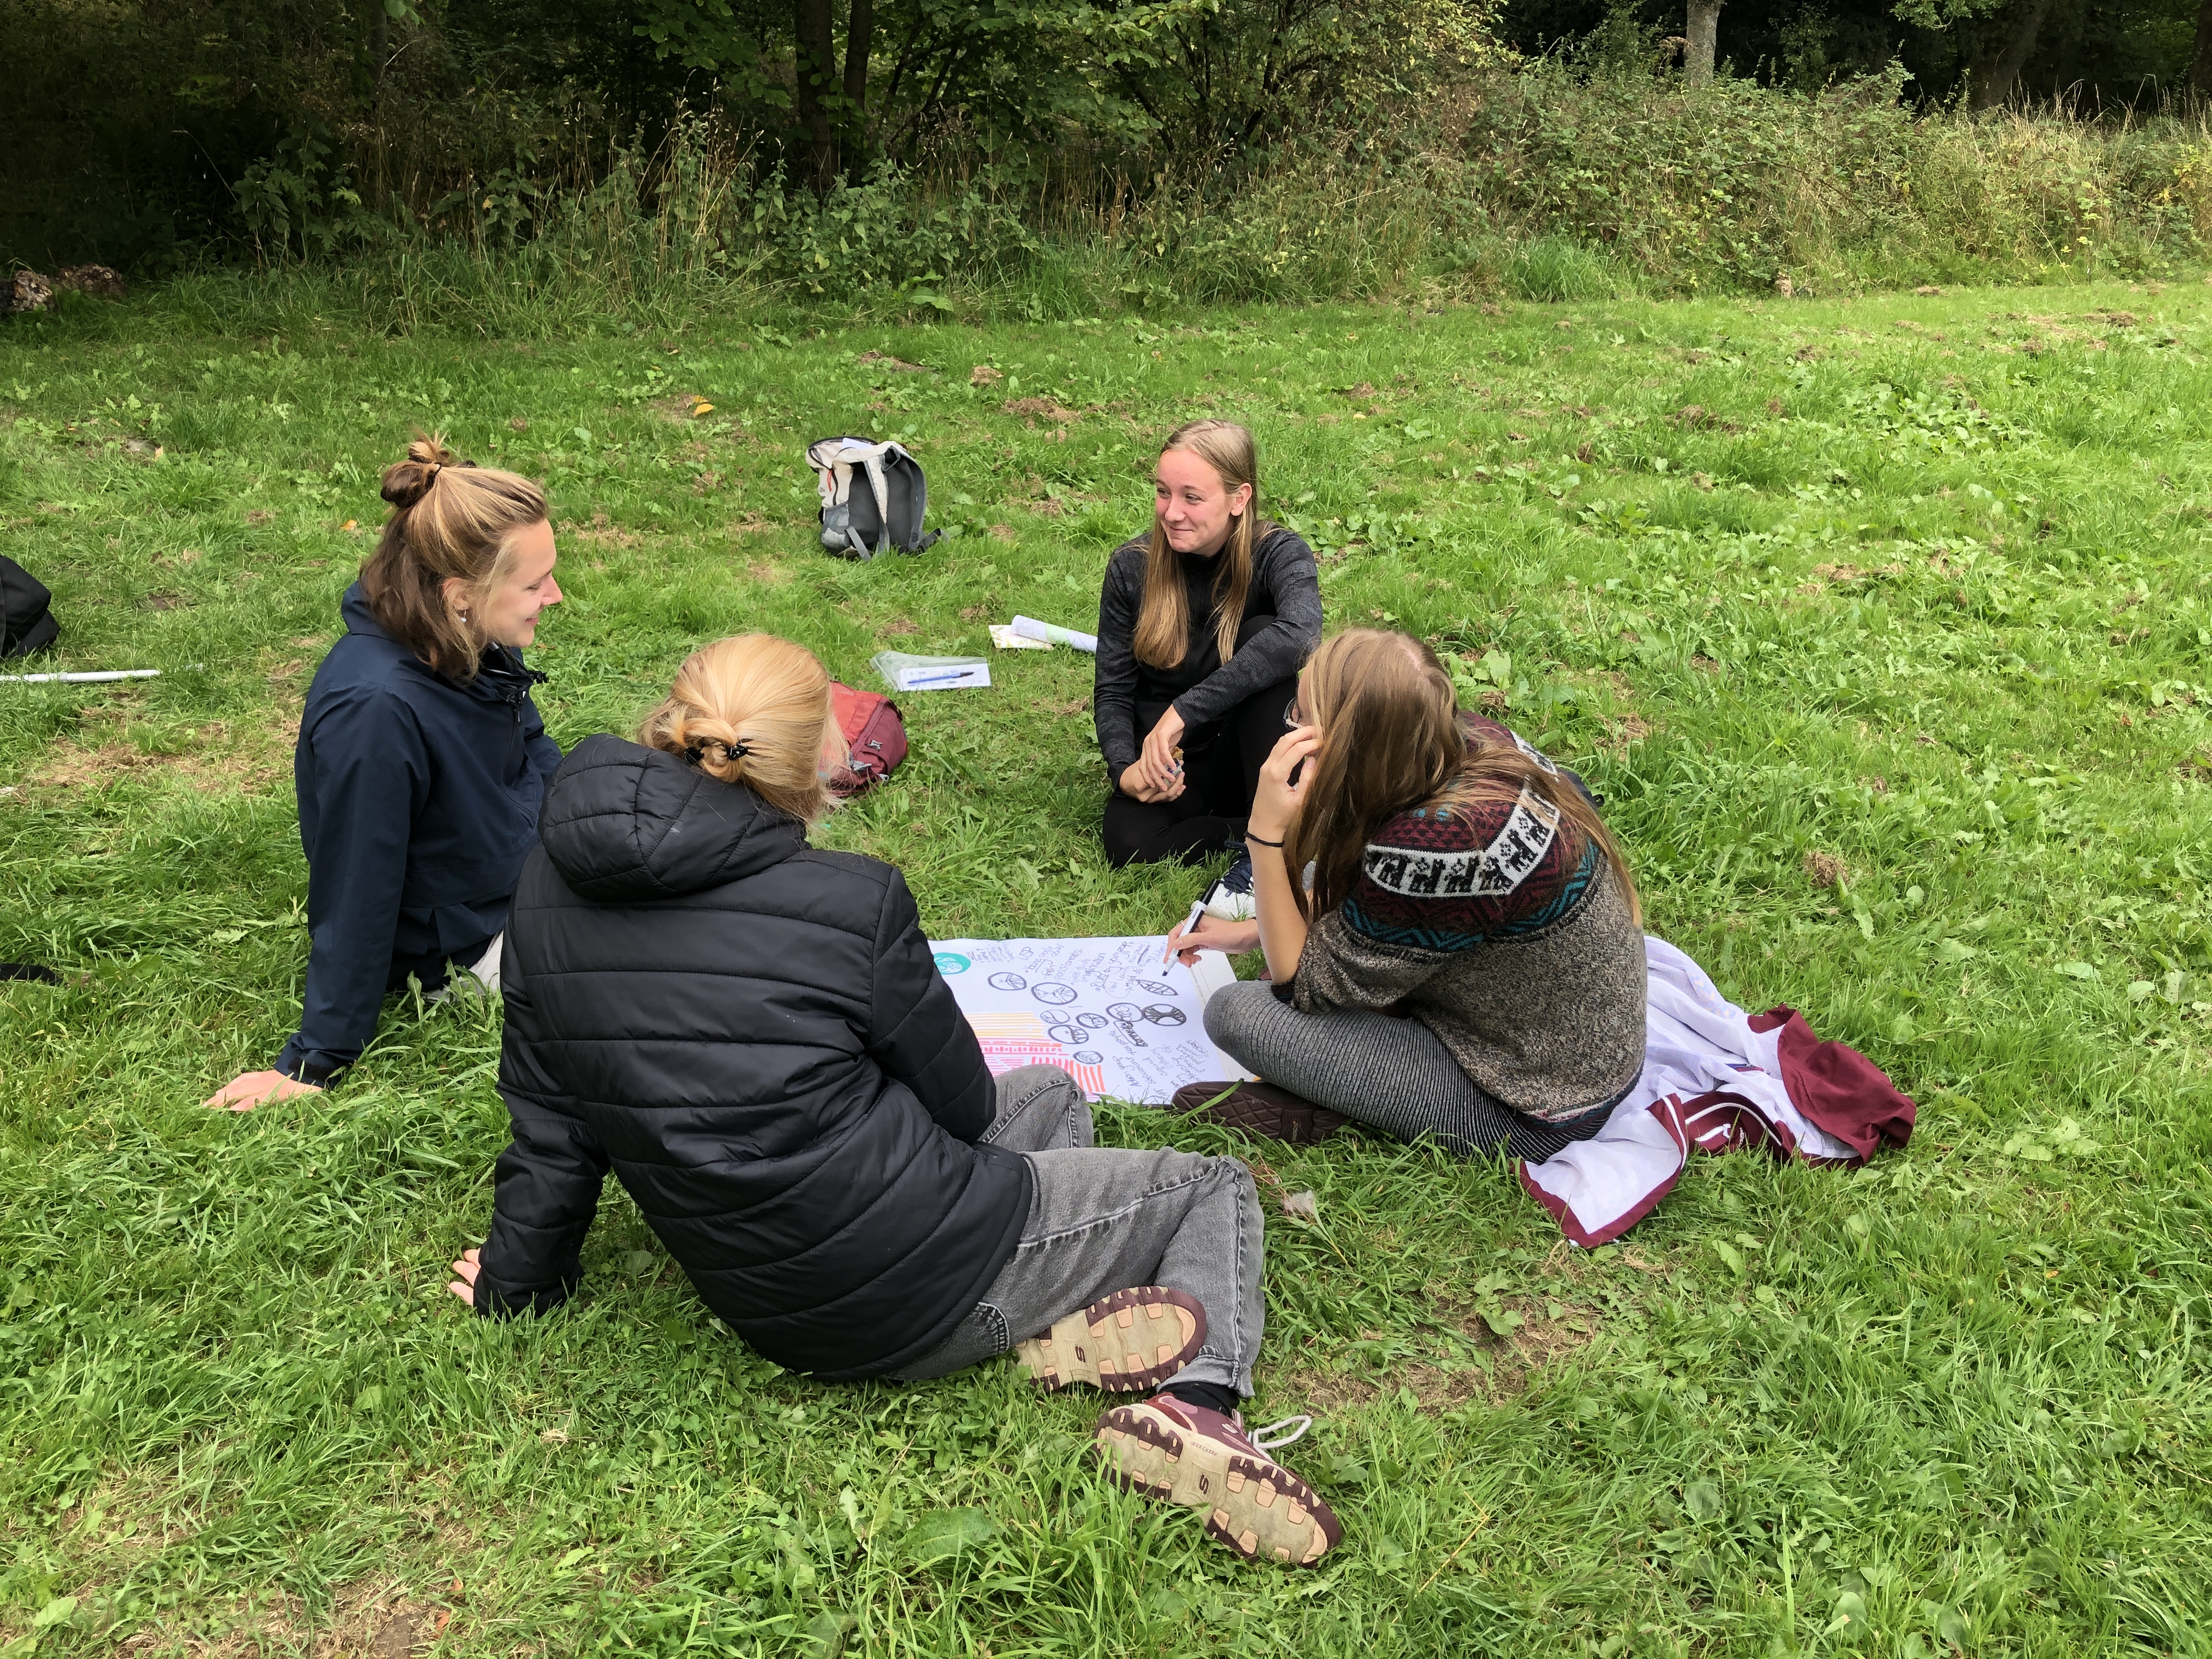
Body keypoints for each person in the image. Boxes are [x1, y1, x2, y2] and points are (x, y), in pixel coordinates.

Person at [444, 634, 1340, 1567]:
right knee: (1211, 1187)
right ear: (811, 762)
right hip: (913, 1274)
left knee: (1047, 1090)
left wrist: (519, 1281)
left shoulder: (546, 880)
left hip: (765, 1302)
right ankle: (1197, 1406)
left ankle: (1060, 1320)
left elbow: (551, 1128)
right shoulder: (851, 898)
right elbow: (957, 1108)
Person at [1169, 629, 1648, 1161]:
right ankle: (1352, 1091)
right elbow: (1345, 883)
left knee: (1235, 1013)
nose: (1290, 729)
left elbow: (1301, 986)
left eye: (1300, 717)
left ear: (1347, 739)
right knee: (1312, 877)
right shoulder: (1463, 739)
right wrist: (1248, 933)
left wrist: (1263, 834)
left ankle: (1344, 1108)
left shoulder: (1442, 841)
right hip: (1559, 1038)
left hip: (1533, 1106)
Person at [203, 438, 563, 1111]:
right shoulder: (375, 713)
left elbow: (532, 743)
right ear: (460, 593)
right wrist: (315, 1061)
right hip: (469, 940)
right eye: (535, 583)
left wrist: (577, 829)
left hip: (523, 871)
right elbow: (357, 884)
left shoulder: (458, 633)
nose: (555, 595)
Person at [1094, 420, 1323, 868]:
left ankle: (1272, 824)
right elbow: (1113, 689)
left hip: (1253, 752)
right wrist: (1126, 772)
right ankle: (1258, 832)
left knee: (1265, 634)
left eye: (1191, 497)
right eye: (1163, 492)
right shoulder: (1131, 567)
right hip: (1178, 768)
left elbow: (1303, 632)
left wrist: (1182, 711)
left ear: (1240, 499)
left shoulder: (1278, 552)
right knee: (1127, 841)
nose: (1171, 513)